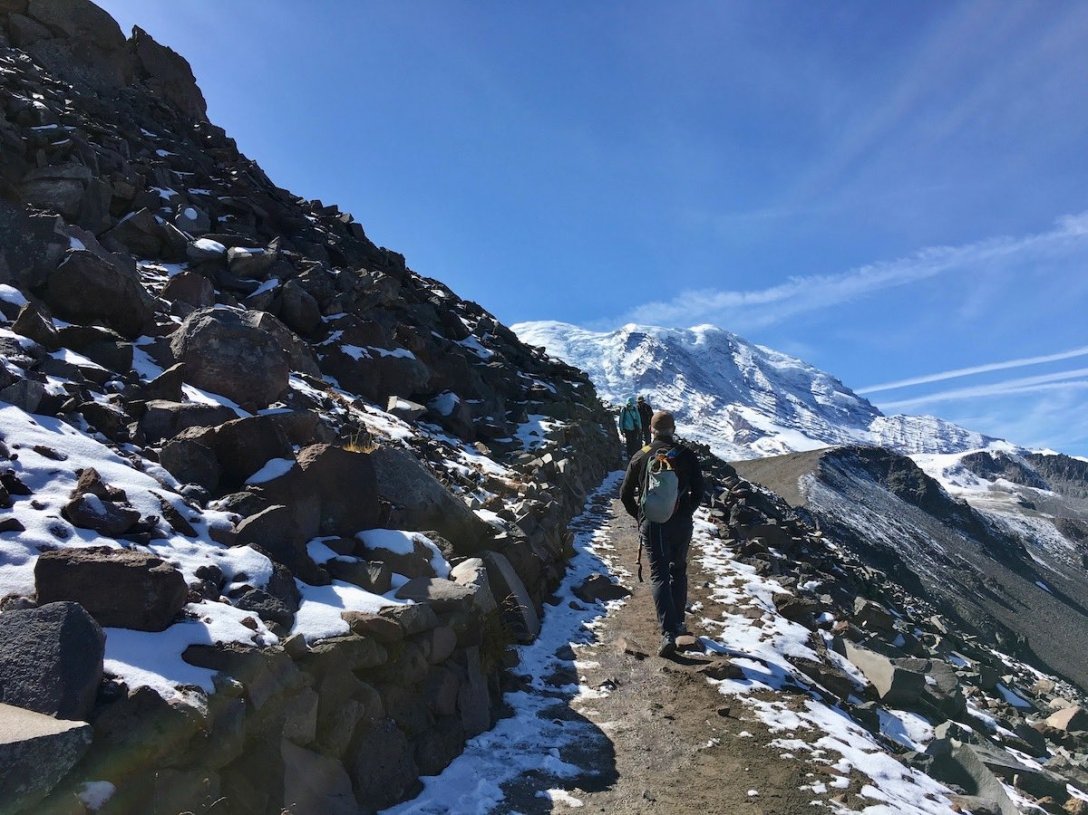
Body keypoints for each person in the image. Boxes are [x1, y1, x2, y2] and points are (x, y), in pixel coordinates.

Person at [620, 410, 704, 657]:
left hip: (653, 524)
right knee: (678, 570)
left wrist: (641, 517)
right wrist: (686, 511)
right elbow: (699, 491)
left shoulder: (642, 455)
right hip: (681, 523)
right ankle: (679, 625)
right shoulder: (687, 455)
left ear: (650, 429)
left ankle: (668, 632)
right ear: (673, 429)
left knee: (659, 574)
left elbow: (625, 495)